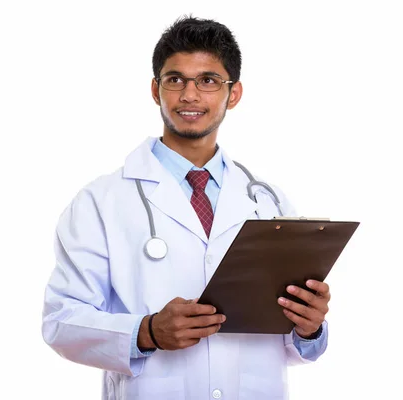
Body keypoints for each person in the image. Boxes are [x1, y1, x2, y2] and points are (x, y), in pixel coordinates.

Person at [42, 16, 330, 400]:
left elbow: (294, 345)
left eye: (208, 81)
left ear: (234, 93)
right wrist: (147, 332)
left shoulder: (269, 202)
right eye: (175, 79)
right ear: (155, 89)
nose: (190, 95)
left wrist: (309, 328)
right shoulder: (101, 202)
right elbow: (60, 322)